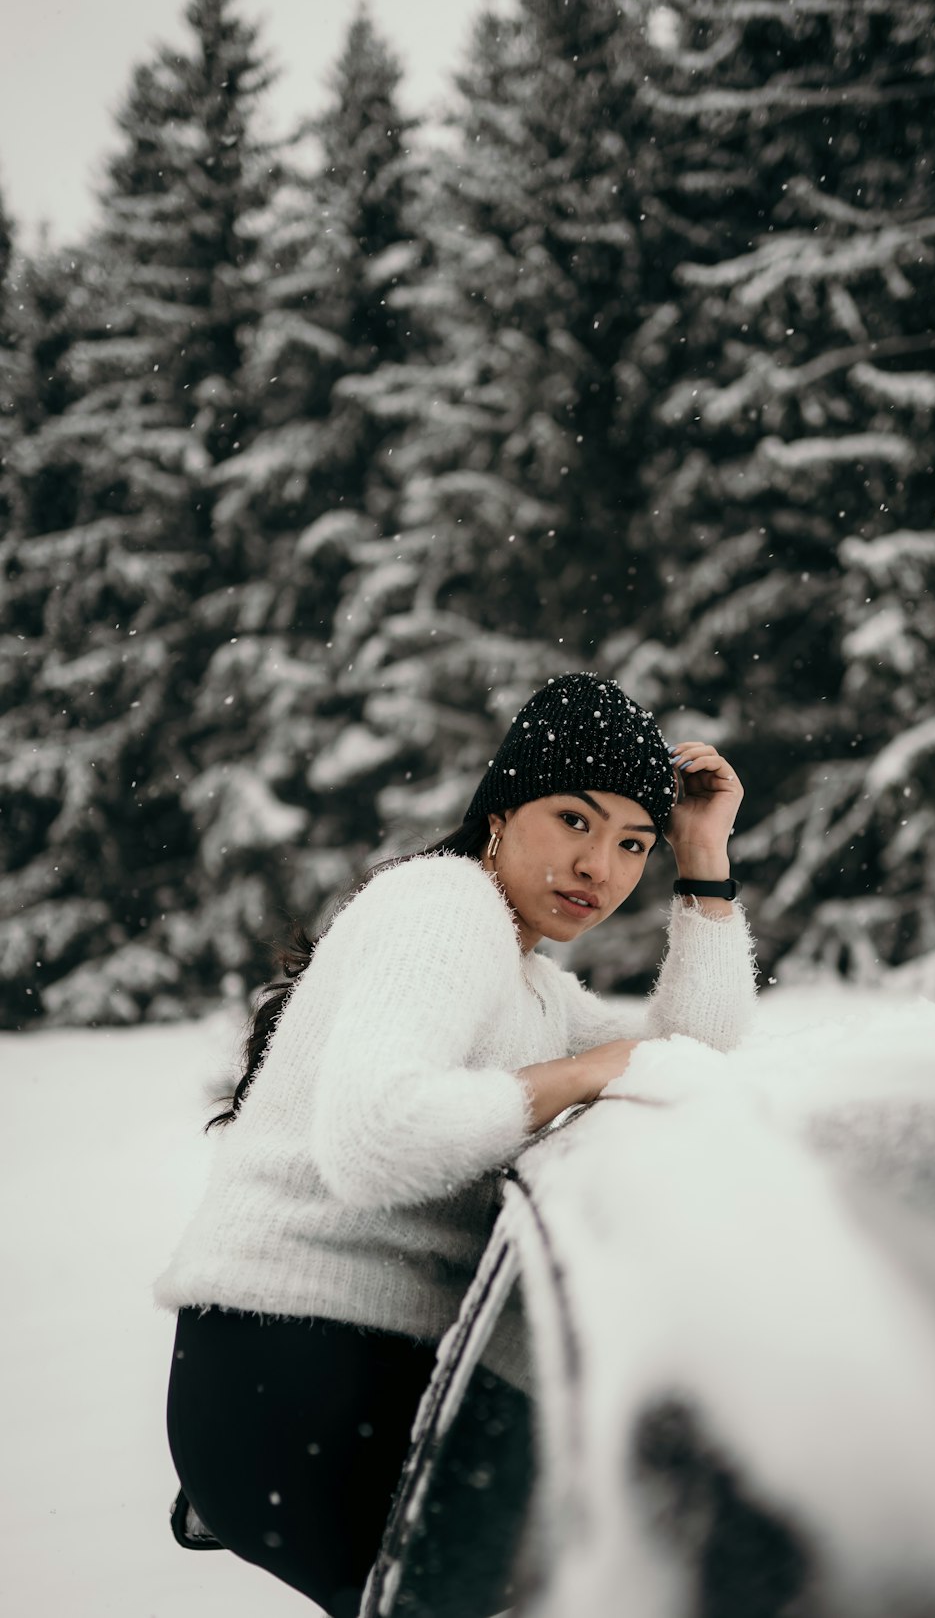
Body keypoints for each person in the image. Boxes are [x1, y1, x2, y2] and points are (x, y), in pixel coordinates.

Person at [154, 671, 758, 1617]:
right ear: (501, 813)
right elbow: (378, 1138)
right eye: (574, 820)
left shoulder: (534, 988)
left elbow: (692, 1057)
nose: (600, 866)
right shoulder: (441, 908)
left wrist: (706, 862)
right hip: (299, 1373)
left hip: (341, 1374)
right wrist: (586, 1076)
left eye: (634, 843)